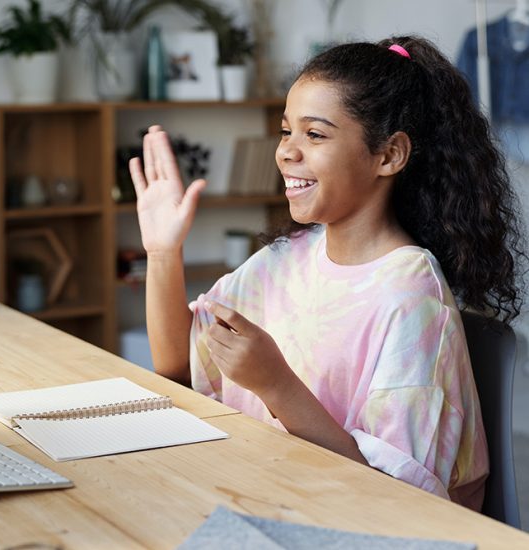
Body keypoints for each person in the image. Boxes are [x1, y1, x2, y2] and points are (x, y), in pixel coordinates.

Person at [128, 35, 525, 511]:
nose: (287, 153)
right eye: (284, 131)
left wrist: (276, 385)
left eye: (314, 135)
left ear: (389, 155)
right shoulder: (284, 260)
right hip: (268, 497)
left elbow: (396, 502)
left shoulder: (412, 301)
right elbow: (178, 369)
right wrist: (163, 251)